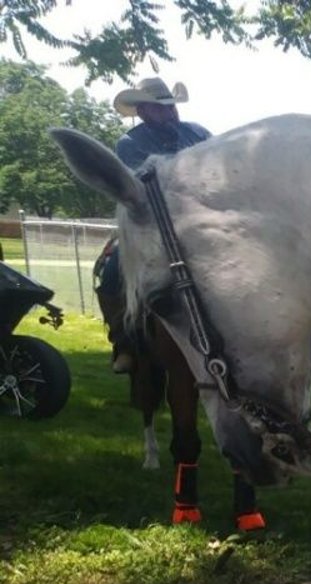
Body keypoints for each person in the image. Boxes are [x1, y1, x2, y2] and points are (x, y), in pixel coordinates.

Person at [98, 77, 212, 372]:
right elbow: (144, 191)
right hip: (150, 227)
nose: (169, 113)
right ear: (143, 111)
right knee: (111, 276)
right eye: (160, 108)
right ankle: (123, 343)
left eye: (171, 106)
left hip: (201, 220)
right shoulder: (130, 144)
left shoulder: (198, 133)